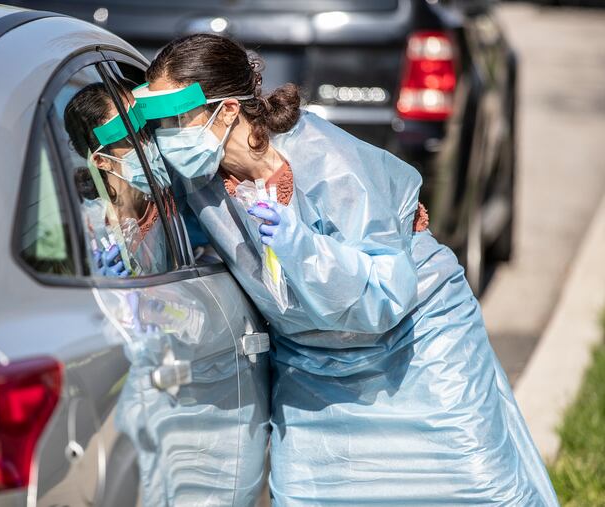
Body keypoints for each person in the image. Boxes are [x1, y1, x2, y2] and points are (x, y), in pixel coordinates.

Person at [134, 34, 559, 505]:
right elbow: (169, 246)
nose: (166, 133)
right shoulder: (201, 183)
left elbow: (384, 296)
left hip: (415, 348)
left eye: (175, 118)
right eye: (157, 121)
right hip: (314, 371)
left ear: (228, 110)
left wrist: (301, 247)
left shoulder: (329, 163)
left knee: (475, 493)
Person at [63, 83, 170, 277]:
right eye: (131, 137)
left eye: (143, 128)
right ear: (101, 160)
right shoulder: (94, 232)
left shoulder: (168, 193)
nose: (146, 142)